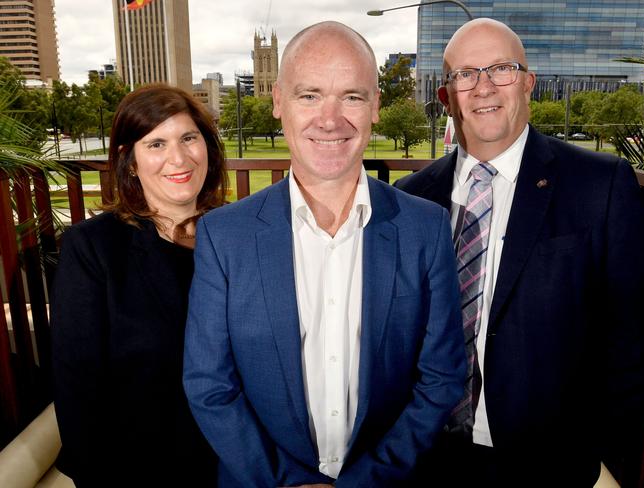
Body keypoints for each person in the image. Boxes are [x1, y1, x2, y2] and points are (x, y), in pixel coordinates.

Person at [183, 21, 466, 487]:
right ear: (278, 102)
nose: (330, 119)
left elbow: (441, 377)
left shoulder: (425, 229)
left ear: (376, 106)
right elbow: (209, 385)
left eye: (351, 96)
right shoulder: (224, 236)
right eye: (309, 95)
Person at [396, 18, 644, 486]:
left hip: (559, 464)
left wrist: (612, 468)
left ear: (529, 84)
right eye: (466, 74)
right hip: (429, 458)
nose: (484, 86)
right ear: (446, 97)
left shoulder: (601, 186)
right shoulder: (411, 197)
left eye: (502, 69)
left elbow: (633, 340)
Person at [51, 84, 228, 486]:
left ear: (207, 147)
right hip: (138, 469)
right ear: (129, 162)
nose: (178, 158)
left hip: (236, 464)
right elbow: (77, 389)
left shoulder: (240, 236)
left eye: (188, 138)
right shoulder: (94, 248)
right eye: (156, 144)